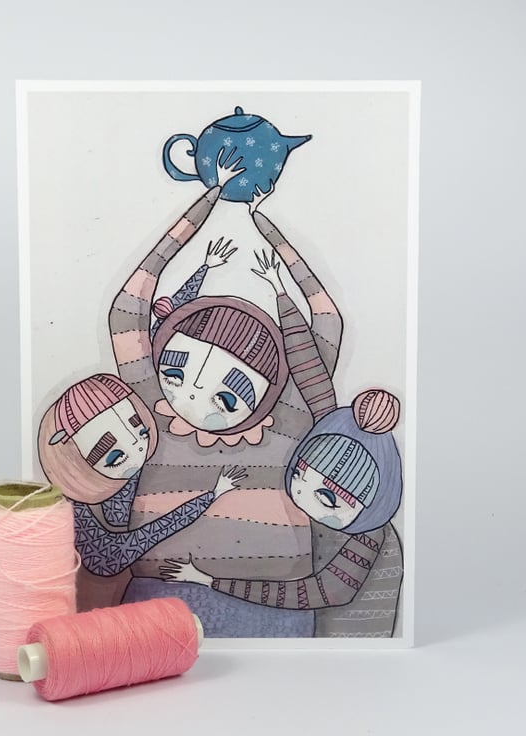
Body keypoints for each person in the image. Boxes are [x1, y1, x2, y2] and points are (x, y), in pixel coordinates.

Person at [108, 169, 344, 637]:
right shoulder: (152, 405)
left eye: (227, 394)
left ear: (270, 389)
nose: (192, 396)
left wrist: (267, 227)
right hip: (161, 600)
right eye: (176, 372)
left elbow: (327, 320)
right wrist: (208, 200)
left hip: (273, 606)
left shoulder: (289, 413)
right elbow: (128, 308)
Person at [160, 231, 404, 638]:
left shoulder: (369, 539)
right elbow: (308, 365)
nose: (303, 491)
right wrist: (278, 289)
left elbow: (321, 592)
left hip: (352, 628)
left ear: (373, 503)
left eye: (328, 497)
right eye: (301, 473)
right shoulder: (332, 429)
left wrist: (212, 582)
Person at [37, 373, 246, 611]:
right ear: (73, 464)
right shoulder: (98, 542)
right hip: (88, 613)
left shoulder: (122, 477)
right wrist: (212, 495)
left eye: (140, 432)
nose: (138, 446)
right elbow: (152, 533)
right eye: (115, 456)